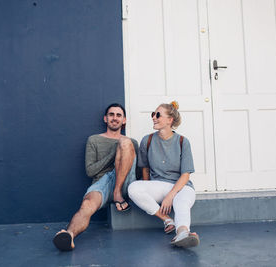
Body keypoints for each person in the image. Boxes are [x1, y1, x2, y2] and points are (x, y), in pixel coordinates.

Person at [53, 103, 138, 251]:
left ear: (124, 120)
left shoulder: (132, 143)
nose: (115, 118)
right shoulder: (94, 140)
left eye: (119, 115)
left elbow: (139, 168)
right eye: (111, 115)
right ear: (105, 118)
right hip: (103, 182)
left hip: (125, 182)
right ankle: (69, 235)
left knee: (125, 142)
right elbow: (90, 171)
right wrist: (114, 153)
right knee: (87, 204)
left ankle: (117, 193)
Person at [128, 101, 199, 248]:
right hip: (159, 186)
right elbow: (145, 169)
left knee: (181, 202)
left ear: (170, 120)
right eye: (153, 114)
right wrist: (149, 190)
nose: (154, 117)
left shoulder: (182, 141)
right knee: (133, 188)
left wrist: (170, 196)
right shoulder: (147, 140)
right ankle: (167, 219)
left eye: (158, 114)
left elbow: (186, 175)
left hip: (181, 187)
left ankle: (183, 233)